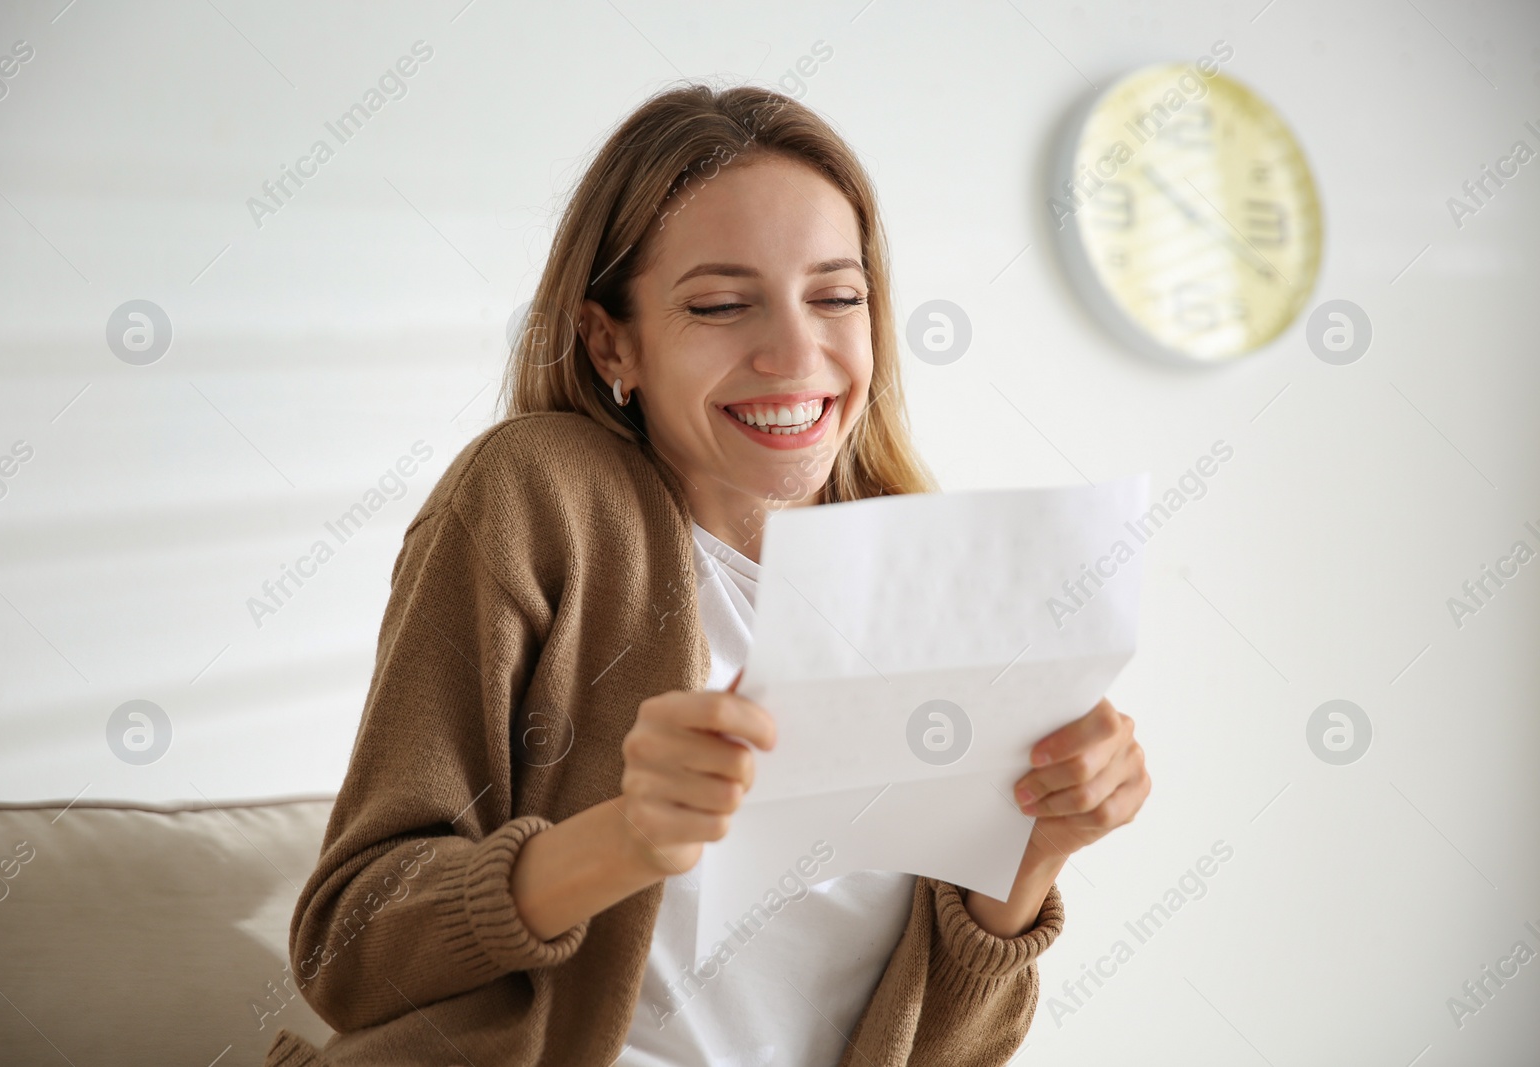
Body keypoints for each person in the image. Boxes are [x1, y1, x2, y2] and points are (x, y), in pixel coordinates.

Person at [262, 81, 1149, 1067]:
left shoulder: (929, 582)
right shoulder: (537, 499)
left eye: (836, 295)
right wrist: (623, 839)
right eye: (722, 304)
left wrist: (1035, 848)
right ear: (612, 341)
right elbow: (348, 949)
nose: (793, 352)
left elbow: (949, 1047)